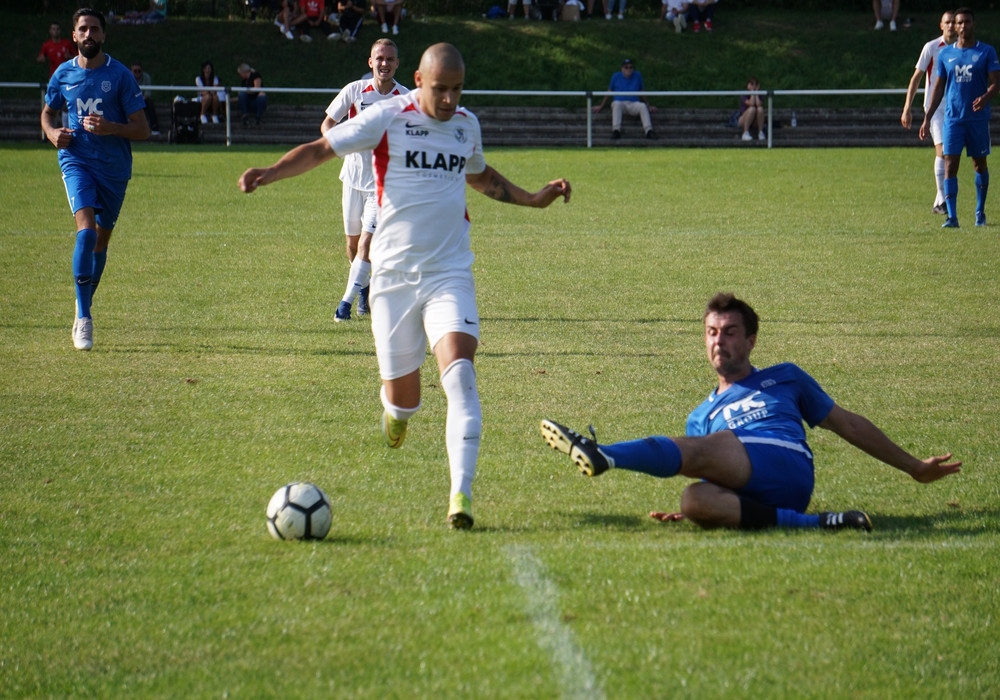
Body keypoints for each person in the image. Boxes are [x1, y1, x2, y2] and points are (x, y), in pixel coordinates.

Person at [239, 43, 571, 529]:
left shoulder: (466, 125)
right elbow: (321, 148)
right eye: (441, 89)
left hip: (449, 273)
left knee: (460, 378)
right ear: (418, 79)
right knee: (405, 400)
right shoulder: (388, 117)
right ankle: (395, 412)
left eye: (458, 89)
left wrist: (533, 199)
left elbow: (480, 177)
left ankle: (461, 496)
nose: (450, 99)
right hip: (392, 279)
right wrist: (268, 174)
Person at [541, 293, 961, 532]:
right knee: (693, 499)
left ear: (751, 341)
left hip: (784, 459)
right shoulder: (700, 416)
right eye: (711, 333)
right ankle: (818, 524)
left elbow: (846, 423)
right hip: (767, 493)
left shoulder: (785, 378)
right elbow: (715, 475)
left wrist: (913, 467)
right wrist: (696, 510)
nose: (718, 341)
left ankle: (604, 453)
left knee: (704, 451)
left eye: (729, 332)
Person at [41, 8, 150, 352]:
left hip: (114, 169)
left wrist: (112, 128)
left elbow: (143, 129)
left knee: (101, 241)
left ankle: (81, 299)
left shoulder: (119, 76)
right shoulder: (62, 74)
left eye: (95, 29)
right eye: (83, 29)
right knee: (85, 231)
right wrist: (51, 132)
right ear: (74, 36)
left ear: (103, 35)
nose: (89, 35)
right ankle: (84, 317)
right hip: (76, 161)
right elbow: (48, 112)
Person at [321, 39, 408, 322]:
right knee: (352, 244)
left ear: (397, 63)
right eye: (379, 58)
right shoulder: (354, 90)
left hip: (383, 184)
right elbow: (327, 123)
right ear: (370, 62)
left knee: (366, 245)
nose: (384, 63)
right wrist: (336, 144)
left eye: (390, 59)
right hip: (352, 177)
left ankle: (344, 304)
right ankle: (363, 288)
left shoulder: (406, 98)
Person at [920, 7, 1000, 229]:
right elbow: (938, 87)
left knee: (979, 164)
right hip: (953, 119)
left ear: (974, 24)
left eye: (967, 22)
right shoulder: (946, 54)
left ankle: (979, 211)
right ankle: (952, 217)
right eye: (959, 23)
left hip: (977, 119)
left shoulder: (986, 52)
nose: (963, 26)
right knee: (950, 163)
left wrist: (985, 97)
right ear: (954, 27)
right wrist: (927, 118)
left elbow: (996, 82)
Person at [901, 12, 957, 215]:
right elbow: (917, 77)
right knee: (943, 151)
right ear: (941, 25)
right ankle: (942, 201)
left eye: (954, 22)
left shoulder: (963, 48)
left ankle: (938, 200)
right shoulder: (932, 47)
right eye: (947, 22)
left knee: (952, 154)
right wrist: (907, 107)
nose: (951, 25)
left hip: (956, 107)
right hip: (935, 108)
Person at [592, 58, 656, 140]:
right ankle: (616, 130)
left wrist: (648, 105)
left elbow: (642, 92)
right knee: (616, 104)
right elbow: (609, 92)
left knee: (642, 106)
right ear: (622, 69)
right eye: (626, 67)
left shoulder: (638, 76)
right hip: (620, 103)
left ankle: (649, 131)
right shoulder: (615, 76)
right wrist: (601, 106)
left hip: (634, 104)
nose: (628, 69)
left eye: (630, 67)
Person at [131, 62, 160, 135]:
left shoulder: (146, 77)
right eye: (135, 71)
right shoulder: (128, 78)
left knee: (150, 103)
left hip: (143, 100)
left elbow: (147, 93)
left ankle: (154, 128)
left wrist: (139, 101)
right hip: (130, 101)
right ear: (131, 71)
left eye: (139, 71)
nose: (137, 73)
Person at [738, 77, 766, 142]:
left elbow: (758, 104)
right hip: (743, 119)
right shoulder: (744, 95)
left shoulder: (760, 95)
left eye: (755, 84)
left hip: (755, 120)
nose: (753, 86)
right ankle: (745, 133)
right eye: (752, 84)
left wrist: (756, 93)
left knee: (760, 109)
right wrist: (752, 93)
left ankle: (760, 132)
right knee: (752, 109)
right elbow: (751, 103)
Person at [196, 60, 222, 125]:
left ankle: (215, 115)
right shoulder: (198, 79)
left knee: (215, 97)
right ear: (203, 70)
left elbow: (215, 90)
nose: (208, 70)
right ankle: (202, 114)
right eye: (206, 68)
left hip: (212, 96)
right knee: (208, 97)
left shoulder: (215, 78)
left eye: (209, 68)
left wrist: (211, 91)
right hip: (202, 97)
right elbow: (202, 92)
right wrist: (210, 91)